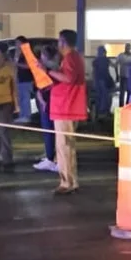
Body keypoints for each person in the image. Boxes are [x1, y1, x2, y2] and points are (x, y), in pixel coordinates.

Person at [47, 29, 86, 195]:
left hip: (66, 108)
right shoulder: (73, 57)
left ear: (63, 42)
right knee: (66, 146)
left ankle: (67, 182)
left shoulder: (71, 58)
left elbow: (69, 78)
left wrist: (48, 72)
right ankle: (70, 180)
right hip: (66, 107)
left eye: (59, 41)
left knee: (64, 147)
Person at [32, 43, 60, 172]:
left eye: (42, 54)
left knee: (50, 131)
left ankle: (52, 159)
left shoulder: (49, 69)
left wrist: (42, 99)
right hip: (47, 101)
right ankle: (51, 157)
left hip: (50, 103)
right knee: (50, 132)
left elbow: (48, 86)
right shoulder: (53, 67)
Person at [13, 37, 35, 123]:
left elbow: (29, 66)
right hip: (20, 79)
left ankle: (26, 116)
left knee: (25, 98)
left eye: (18, 43)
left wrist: (17, 64)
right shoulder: (18, 53)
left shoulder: (27, 53)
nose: (16, 45)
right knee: (21, 98)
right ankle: (22, 115)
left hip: (26, 79)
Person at [92, 45, 114, 120]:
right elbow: (113, 67)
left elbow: (94, 72)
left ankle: (99, 113)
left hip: (99, 80)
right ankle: (104, 112)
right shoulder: (106, 60)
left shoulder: (96, 61)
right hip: (105, 80)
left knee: (100, 97)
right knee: (106, 97)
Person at [115, 43, 131, 108]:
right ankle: (121, 107)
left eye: (128, 47)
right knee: (122, 93)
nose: (127, 49)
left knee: (129, 93)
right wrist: (117, 75)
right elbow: (116, 65)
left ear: (130, 48)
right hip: (123, 76)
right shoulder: (121, 56)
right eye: (126, 47)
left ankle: (128, 106)